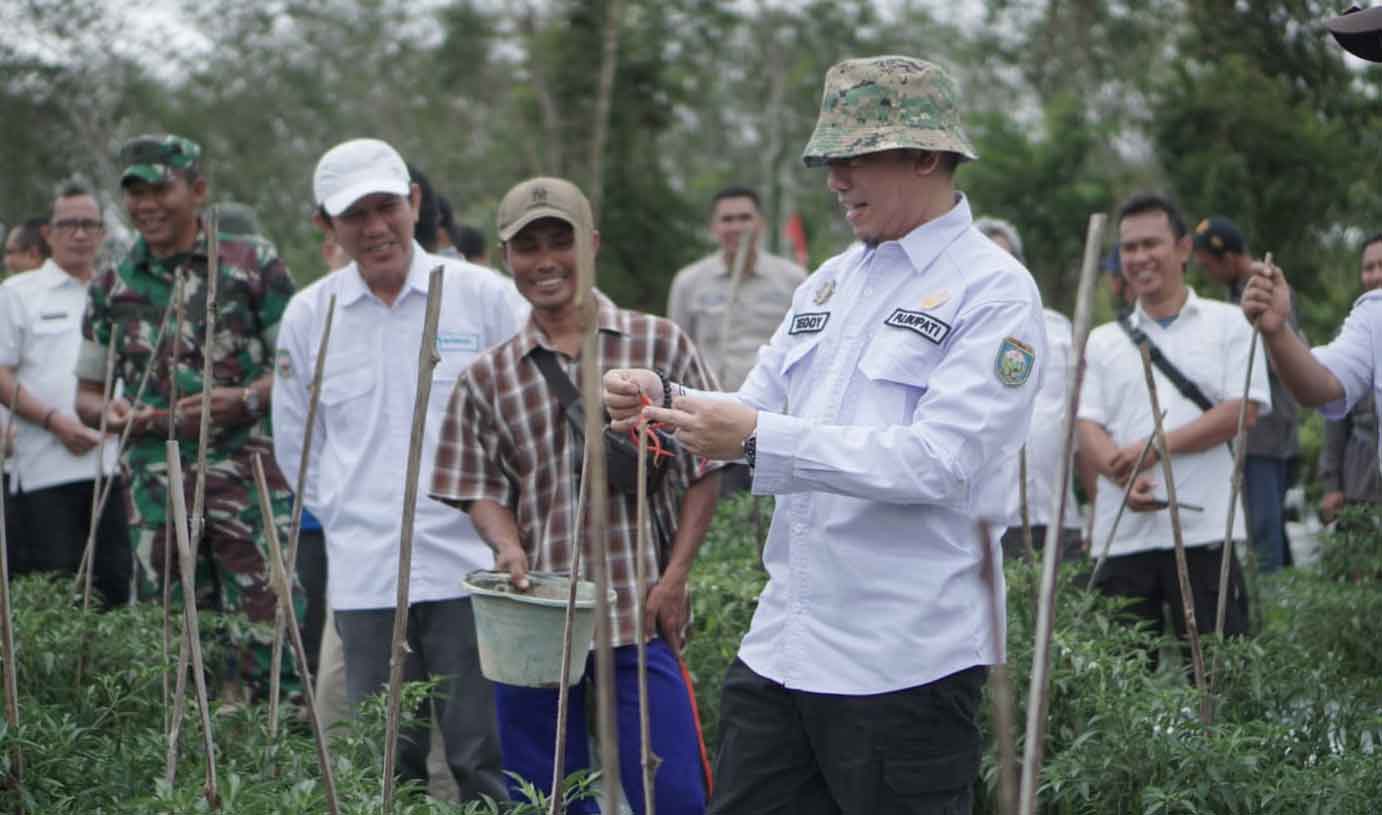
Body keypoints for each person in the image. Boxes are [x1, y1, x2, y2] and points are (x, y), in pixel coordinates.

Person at [604, 56, 1047, 814]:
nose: (835, 181)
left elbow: (939, 461)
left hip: (905, 663)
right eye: (828, 162)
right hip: (787, 645)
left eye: (852, 158)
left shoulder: (995, 291)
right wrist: (666, 399)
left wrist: (755, 434)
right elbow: (754, 405)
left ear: (926, 154)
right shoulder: (831, 281)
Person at [430, 176, 721, 814]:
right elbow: (475, 483)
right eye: (527, 246)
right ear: (507, 259)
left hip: (639, 610)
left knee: (674, 795)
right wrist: (506, 544)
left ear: (591, 244)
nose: (545, 261)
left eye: (561, 241)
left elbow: (705, 468)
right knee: (548, 799)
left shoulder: (659, 344)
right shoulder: (490, 375)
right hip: (538, 626)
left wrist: (675, 579)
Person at [272, 138, 516, 801]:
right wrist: (355, 514)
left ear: (413, 203)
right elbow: (297, 446)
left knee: (482, 756)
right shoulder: (310, 316)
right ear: (326, 226)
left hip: (473, 571)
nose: (376, 228)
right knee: (385, 766)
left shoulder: (483, 297)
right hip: (367, 579)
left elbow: (531, 415)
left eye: (388, 206)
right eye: (355, 215)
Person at [74, 133, 298, 698]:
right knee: (170, 638)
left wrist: (245, 399)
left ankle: (281, 768)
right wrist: (115, 411)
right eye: (135, 192)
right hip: (156, 482)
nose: (147, 204)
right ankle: (189, 773)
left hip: (248, 480)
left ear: (197, 190)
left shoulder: (253, 266)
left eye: (160, 189)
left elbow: (301, 371)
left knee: (267, 630)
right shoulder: (113, 284)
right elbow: (88, 395)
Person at [1077, 193, 1267, 661]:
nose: (1139, 258)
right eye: (1129, 248)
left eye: (1151, 244)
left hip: (1204, 534)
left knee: (1220, 684)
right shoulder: (1103, 341)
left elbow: (1242, 411)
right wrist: (1121, 473)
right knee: (1118, 690)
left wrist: (1156, 446)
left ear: (1183, 249)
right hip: (1121, 538)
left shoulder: (1231, 325)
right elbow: (1088, 425)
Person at [0, 182, 129, 604]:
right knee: (54, 603)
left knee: (114, 596)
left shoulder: (119, 292)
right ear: (49, 234)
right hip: (43, 473)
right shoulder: (18, 294)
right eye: (68, 225)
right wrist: (56, 423)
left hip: (113, 471)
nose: (79, 234)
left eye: (89, 225)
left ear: (102, 233)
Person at [1192, 216, 1300, 572]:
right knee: (1267, 527)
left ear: (1226, 258)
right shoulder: (1236, 292)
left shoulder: (1261, 288)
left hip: (1265, 431)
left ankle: (1274, 608)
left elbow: (1284, 350)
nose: (1207, 273)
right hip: (1260, 432)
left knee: (1264, 527)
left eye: (1209, 265)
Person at [975, 217, 1083, 561]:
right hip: (991, 522)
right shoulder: (958, 335)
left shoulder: (1057, 328)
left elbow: (1084, 417)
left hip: (1058, 517)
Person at [1317, 233, 1382, 522]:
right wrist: (1332, 484)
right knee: (1363, 564)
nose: (1376, 275)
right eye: (1369, 267)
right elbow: (1333, 418)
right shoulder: (1354, 337)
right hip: (1361, 478)